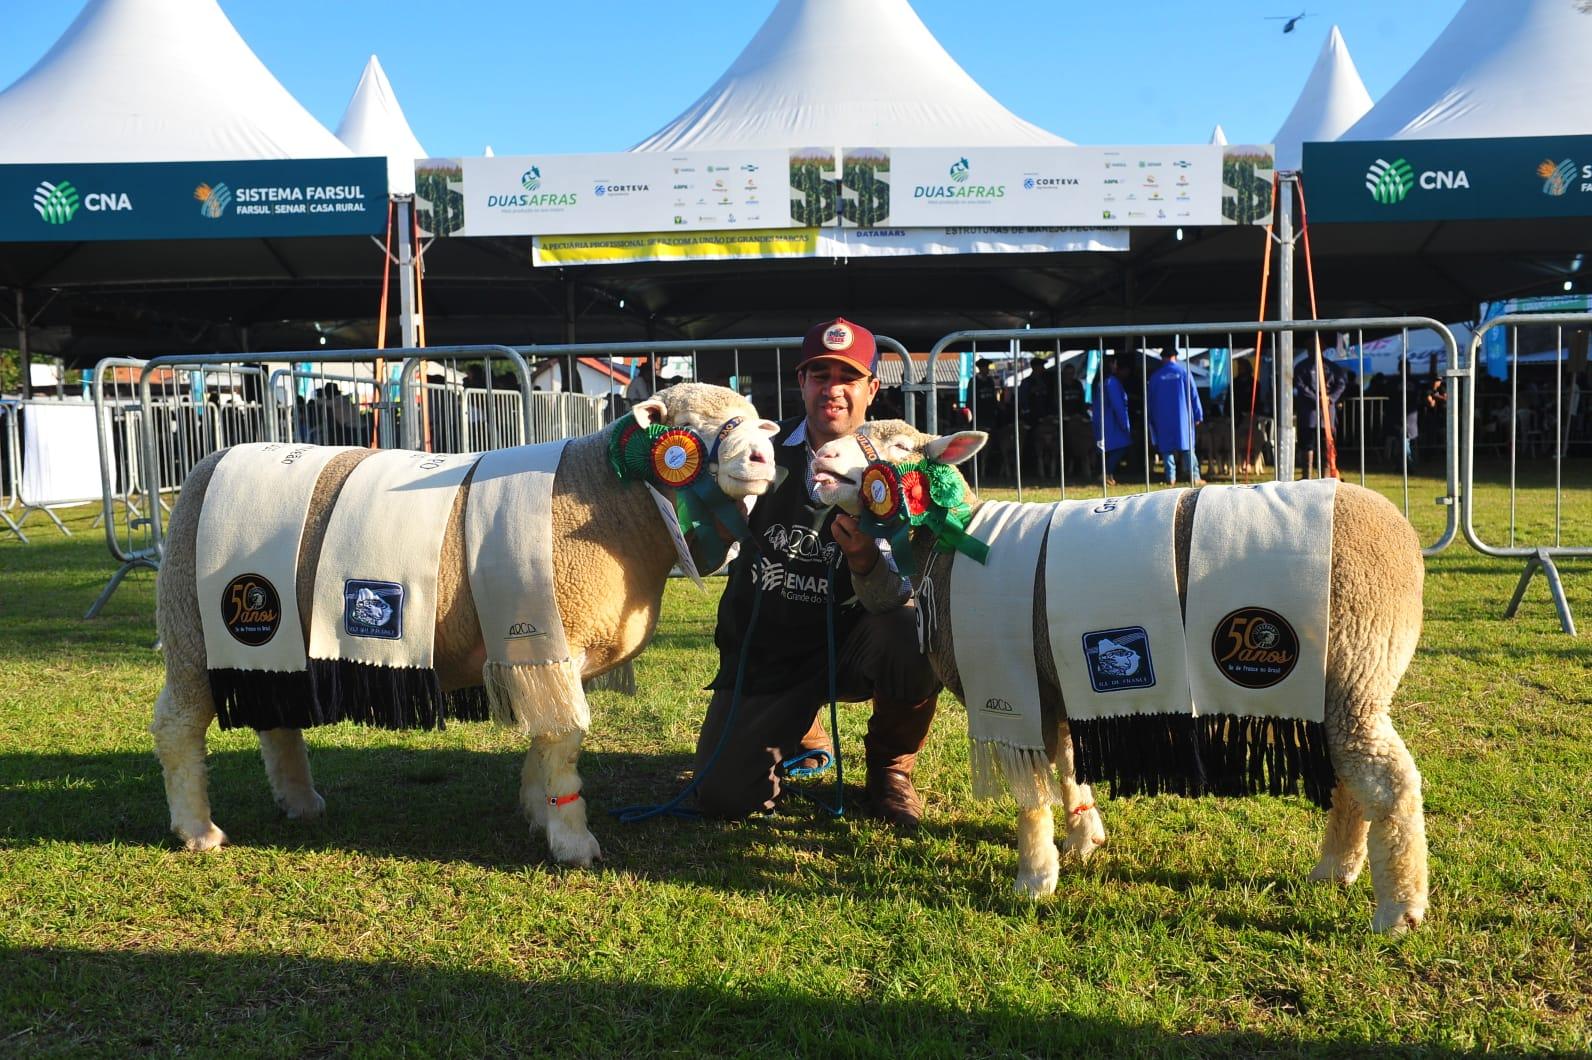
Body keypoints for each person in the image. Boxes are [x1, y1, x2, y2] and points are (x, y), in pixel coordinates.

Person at [693, 318, 943, 827]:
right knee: (723, 798)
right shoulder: (758, 448)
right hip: (767, 652)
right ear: (801, 382)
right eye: (819, 374)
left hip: (851, 642)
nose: (832, 389)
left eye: (847, 377)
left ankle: (891, 770)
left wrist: (865, 563)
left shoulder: (897, 467)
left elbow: (897, 592)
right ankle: (798, 727)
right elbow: (702, 560)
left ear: (872, 389)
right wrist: (714, 530)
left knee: (911, 631)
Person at [1146, 345, 1204, 484]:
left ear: (1162, 358)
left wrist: (1151, 418)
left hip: (1162, 418)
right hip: (1182, 418)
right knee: (1188, 447)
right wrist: (1198, 415)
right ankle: (1195, 477)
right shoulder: (1184, 372)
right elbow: (1194, 395)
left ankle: (1170, 478)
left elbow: (1150, 400)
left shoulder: (1155, 377)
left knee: (1166, 449)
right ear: (1175, 357)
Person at [1294, 353, 1347, 477]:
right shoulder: (1302, 367)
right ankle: (1307, 477)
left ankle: (1326, 477)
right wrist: (1317, 399)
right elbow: (1300, 385)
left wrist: (1330, 398)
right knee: (1307, 445)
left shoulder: (1332, 367)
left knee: (1326, 445)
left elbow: (1341, 383)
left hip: (1327, 414)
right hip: (1309, 413)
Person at [1090, 355, 1132, 484]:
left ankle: (1107, 474)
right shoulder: (1111, 382)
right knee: (1121, 446)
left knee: (1108, 449)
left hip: (1103, 420)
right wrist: (1125, 424)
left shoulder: (1103, 381)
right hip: (1111, 422)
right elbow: (1118, 405)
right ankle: (1105, 473)